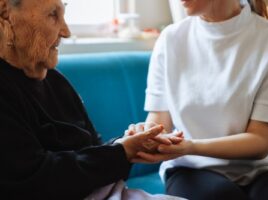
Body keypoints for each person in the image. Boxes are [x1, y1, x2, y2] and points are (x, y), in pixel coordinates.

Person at [0, 0, 186, 199]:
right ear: (5, 14)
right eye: (53, 15)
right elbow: (34, 180)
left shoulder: (55, 80)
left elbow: (90, 151)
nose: (66, 31)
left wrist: (128, 144)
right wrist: (122, 152)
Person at [129, 0, 268, 199]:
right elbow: (159, 121)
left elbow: (261, 141)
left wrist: (191, 145)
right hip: (191, 167)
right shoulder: (170, 39)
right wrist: (146, 135)